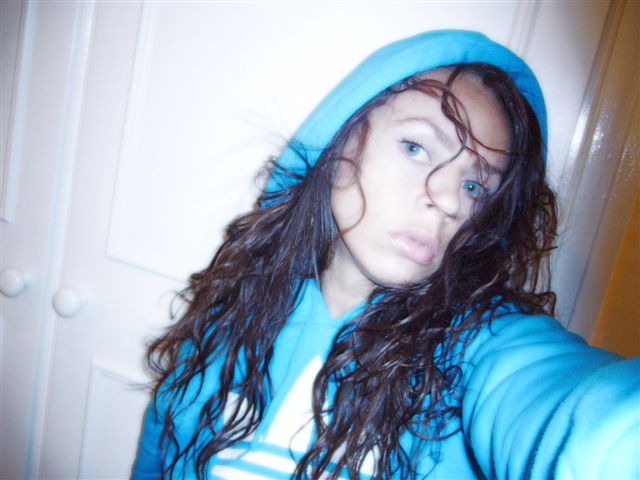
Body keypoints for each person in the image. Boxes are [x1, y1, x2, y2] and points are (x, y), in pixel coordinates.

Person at [131, 30, 639, 479]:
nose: (450, 200)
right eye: (416, 147)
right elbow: (160, 448)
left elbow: (576, 416)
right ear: (337, 143)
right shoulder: (237, 306)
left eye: (475, 186)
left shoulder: (474, 349)